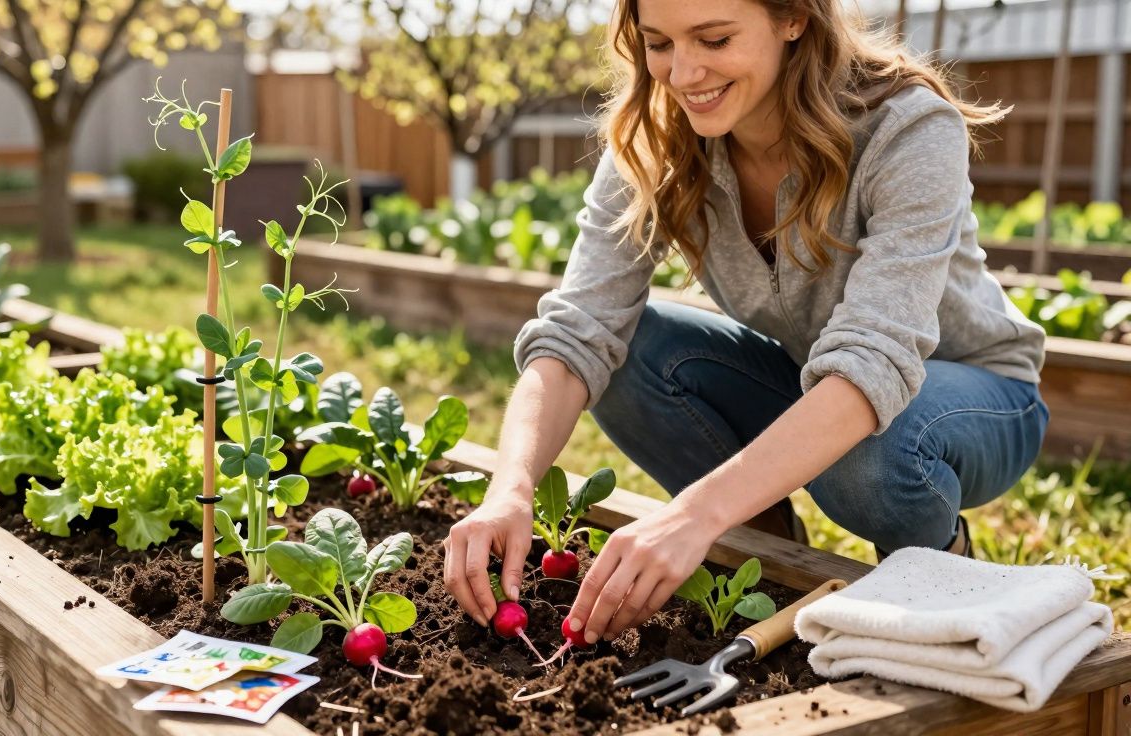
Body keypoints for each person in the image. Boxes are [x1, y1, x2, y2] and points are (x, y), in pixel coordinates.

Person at [442, 0, 1048, 649]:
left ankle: (940, 565)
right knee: (629, 351)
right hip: (815, 382)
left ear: (793, 19)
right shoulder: (655, 138)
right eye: (659, 43)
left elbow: (872, 364)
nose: (683, 72)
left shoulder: (905, 128)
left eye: (714, 38)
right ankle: (772, 565)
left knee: (866, 455)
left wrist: (691, 516)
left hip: (976, 397)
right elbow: (578, 328)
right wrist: (510, 487)